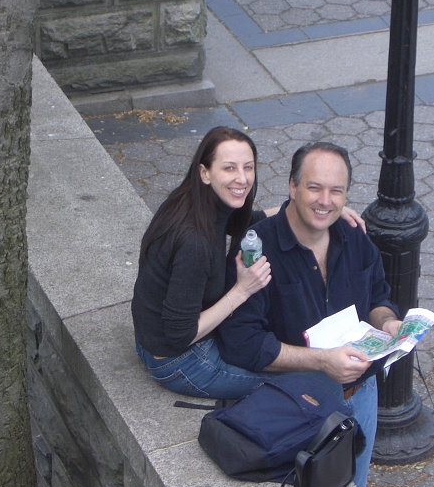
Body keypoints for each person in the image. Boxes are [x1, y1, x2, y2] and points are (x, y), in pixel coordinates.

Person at [217, 141, 400, 487]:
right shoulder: (257, 250)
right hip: (299, 404)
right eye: (314, 187)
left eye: (336, 191)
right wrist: (322, 362)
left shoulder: (353, 235)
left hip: (361, 391)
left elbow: (378, 295)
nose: (325, 201)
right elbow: (244, 345)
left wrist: (388, 322)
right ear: (292, 187)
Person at [131, 127, 365, 400]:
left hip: (148, 339)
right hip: (179, 360)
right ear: (205, 172)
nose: (242, 178)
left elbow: (248, 219)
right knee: (318, 382)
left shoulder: (196, 201)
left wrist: (323, 209)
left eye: (248, 167)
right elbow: (179, 336)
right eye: (229, 168)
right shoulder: (194, 243)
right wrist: (242, 290)